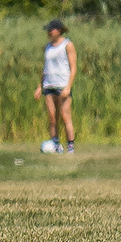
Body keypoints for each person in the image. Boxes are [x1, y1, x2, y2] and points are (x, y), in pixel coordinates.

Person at [35, 19, 77, 154]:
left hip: (62, 85)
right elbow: (45, 68)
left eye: (50, 30)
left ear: (58, 30)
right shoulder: (47, 47)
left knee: (65, 116)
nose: (48, 33)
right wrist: (39, 87)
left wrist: (68, 87)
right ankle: (56, 144)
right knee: (52, 116)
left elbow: (73, 67)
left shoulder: (67, 45)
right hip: (49, 85)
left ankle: (70, 146)